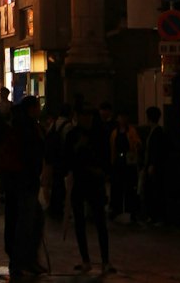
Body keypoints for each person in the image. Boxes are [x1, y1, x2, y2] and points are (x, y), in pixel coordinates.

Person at [65, 104, 112, 277]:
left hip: (95, 181)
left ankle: (105, 260)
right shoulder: (73, 135)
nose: (86, 120)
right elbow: (67, 159)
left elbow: (106, 156)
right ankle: (86, 259)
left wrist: (103, 171)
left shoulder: (99, 134)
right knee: (79, 221)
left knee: (100, 221)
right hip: (80, 181)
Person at [1, 94, 44, 281]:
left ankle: (25, 259)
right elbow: (31, 155)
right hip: (24, 182)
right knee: (25, 223)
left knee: (29, 220)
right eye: (37, 106)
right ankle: (19, 261)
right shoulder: (27, 128)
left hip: (15, 181)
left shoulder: (18, 125)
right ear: (31, 109)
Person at [108, 110, 141, 223]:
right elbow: (112, 148)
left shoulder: (131, 131)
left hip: (128, 161)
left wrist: (135, 146)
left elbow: (136, 142)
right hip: (118, 162)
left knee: (129, 187)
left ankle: (130, 210)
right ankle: (116, 209)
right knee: (117, 187)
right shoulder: (114, 133)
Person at [140, 106, 167, 225]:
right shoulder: (158, 131)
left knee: (153, 191)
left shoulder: (156, 132)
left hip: (153, 166)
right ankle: (154, 216)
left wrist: (152, 164)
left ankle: (155, 216)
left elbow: (155, 150)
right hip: (153, 165)